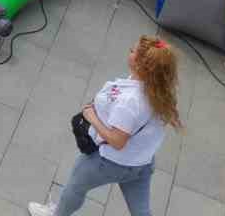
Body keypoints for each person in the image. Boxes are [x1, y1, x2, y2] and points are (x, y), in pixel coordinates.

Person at [29, 36, 181, 216]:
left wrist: (92, 117)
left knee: (75, 186)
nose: (129, 51)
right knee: (141, 211)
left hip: (109, 163)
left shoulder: (130, 102)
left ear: (142, 66)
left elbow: (118, 141)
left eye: (133, 51)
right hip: (142, 163)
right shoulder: (160, 91)